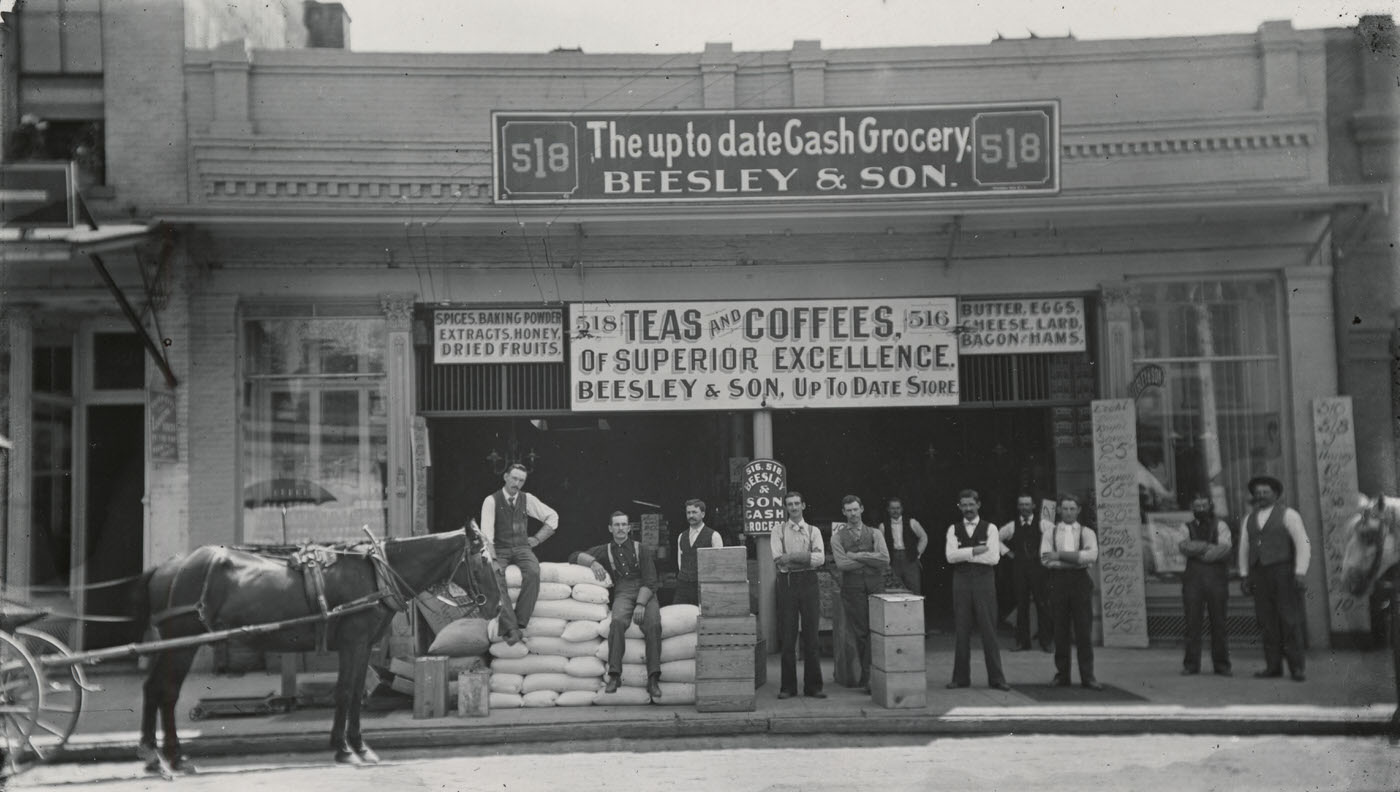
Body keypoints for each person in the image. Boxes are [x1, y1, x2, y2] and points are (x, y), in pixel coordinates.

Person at [570, 511, 663, 700]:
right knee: (617, 622)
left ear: (629, 528)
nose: (620, 529)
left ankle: (653, 678)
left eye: (624, 525)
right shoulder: (606, 550)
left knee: (653, 624)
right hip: (623, 590)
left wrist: (641, 604)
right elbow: (574, 555)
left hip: (645, 591)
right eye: (617, 525)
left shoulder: (641, 549)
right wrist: (594, 563)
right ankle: (614, 674)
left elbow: (651, 580)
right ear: (610, 528)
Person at [1238, 475, 1311, 682]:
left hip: (1283, 571)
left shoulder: (1289, 515)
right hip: (1259, 574)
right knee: (1266, 621)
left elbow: (1302, 544)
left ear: (1275, 494)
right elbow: (1244, 548)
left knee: (1289, 620)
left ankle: (1297, 668)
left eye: (1265, 492)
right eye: (1257, 493)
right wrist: (1244, 574)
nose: (1260, 496)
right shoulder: (1248, 519)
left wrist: (1300, 571)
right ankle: (1273, 666)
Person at [944, 489, 1011, 691]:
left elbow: (993, 558)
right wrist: (974, 550)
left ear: (978, 505)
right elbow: (950, 557)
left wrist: (963, 553)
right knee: (962, 629)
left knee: (989, 628)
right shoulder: (953, 529)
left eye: (971, 504)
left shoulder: (990, 528)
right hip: (961, 580)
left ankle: (997, 678)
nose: (968, 509)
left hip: (984, 580)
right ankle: (960, 678)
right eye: (963, 505)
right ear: (959, 507)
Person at [479, 463, 559, 629]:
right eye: (514, 478)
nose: (517, 483)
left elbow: (552, 516)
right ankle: (508, 622)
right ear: (505, 477)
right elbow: (486, 535)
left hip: (523, 548)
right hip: (500, 549)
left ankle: (521, 621)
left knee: (534, 572)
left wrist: (537, 539)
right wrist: (493, 558)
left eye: (521, 480)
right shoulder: (491, 500)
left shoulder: (527, 498)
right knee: (494, 575)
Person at [1041, 494, 1101, 690]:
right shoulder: (1050, 532)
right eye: (1065, 509)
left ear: (1078, 510)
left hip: (1080, 581)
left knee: (1084, 631)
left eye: (1072, 509)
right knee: (1060, 630)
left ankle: (1088, 676)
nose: (1068, 512)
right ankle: (1062, 675)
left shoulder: (1087, 532)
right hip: (1058, 582)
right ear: (1059, 510)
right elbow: (1046, 559)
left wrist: (1060, 555)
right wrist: (1074, 558)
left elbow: (1091, 556)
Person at [771, 491, 827, 699]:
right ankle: (788, 687)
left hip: (809, 582)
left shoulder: (813, 531)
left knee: (812, 636)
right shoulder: (778, 530)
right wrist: (806, 557)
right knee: (788, 636)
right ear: (785, 508)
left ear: (803, 505)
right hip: (787, 583)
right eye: (789, 504)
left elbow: (820, 559)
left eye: (797, 503)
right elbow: (778, 559)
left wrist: (793, 557)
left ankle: (814, 687)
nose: (793, 508)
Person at [831, 494, 889, 693]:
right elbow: (842, 564)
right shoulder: (837, 537)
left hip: (875, 585)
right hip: (853, 587)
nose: (853, 513)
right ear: (843, 512)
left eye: (855, 509)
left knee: (877, 629)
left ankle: (874, 676)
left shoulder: (875, 533)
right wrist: (869, 558)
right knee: (862, 632)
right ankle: (868, 677)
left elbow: (885, 559)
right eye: (849, 510)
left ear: (862, 509)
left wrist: (857, 555)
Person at [1178, 494, 1233, 676]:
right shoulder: (1185, 527)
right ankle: (1191, 665)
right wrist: (1208, 547)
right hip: (1193, 581)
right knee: (1192, 624)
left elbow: (1225, 548)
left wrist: (1199, 550)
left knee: (1219, 624)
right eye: (1197, 505)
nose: (1201, 508)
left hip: (1217, 581)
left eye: (1204, 505)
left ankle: (1222, 666)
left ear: (1210, 505)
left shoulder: (1221, 525)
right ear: (1192, 508)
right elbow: (1184, 547)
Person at [999, 493, 1053, 652]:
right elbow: (994, 538)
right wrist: (1008, 552)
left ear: (1033, 506)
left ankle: (1046, 642)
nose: (1024, 507)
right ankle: (1023, 642)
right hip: (1020, 569)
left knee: (1042, 604)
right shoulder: (1012, 526)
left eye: (1027, 504)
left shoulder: (1044, 524)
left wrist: (1047, 556)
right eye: (1021, 504)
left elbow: (1056, 538)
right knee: (1022, 605)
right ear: (1018, 507)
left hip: (1039, 568)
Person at [674, 498, 723, 606]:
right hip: (684, 586)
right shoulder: (681, 536)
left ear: (703, 514)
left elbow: (719, 565)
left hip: (704, 586)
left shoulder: (714, 536)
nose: (691, 516)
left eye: (694, 512)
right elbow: (680, 562)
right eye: (688, 513)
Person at [879, 497, 928, 594]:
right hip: (893, 561)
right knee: (893, 591)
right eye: (893, 508)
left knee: (914, 590)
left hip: (909, 559)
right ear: (888, 509)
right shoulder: (883, 526)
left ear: (901, 509)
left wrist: (917, 553)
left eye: (897, 508)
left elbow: (924, 537)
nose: (895, 511)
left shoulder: (912, 522)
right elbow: (880, 545)